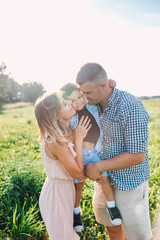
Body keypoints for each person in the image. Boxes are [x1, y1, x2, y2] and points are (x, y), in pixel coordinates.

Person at [76, 62, 153, 240]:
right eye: (82, 92)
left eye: (88, 93)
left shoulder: (130, 106)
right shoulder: (92, 106)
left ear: (105, 85)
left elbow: (137, 155)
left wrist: (98, 165)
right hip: (104, 181)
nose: (84, 97)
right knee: (112, 228)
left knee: (137, 236)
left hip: (129, 184)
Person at [60, 82, 122, 233]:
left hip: (94, 153)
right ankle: (76, 212)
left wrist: (111, 83)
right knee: (78, 184)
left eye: (79, 97)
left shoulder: (94, 107)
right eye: (73, 101)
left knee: (104, 178)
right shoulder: (71, 117)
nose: (78, 102)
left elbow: (103, 92)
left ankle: (112, 207)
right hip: (79, 154)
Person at [35, 92, 91, 240]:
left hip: (65, 190)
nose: (70, 103)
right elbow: (77, 174)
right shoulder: (54, 141)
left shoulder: (65, 133)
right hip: (56, 196)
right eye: (65, 104)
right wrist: (79, 139)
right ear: (56, 115)